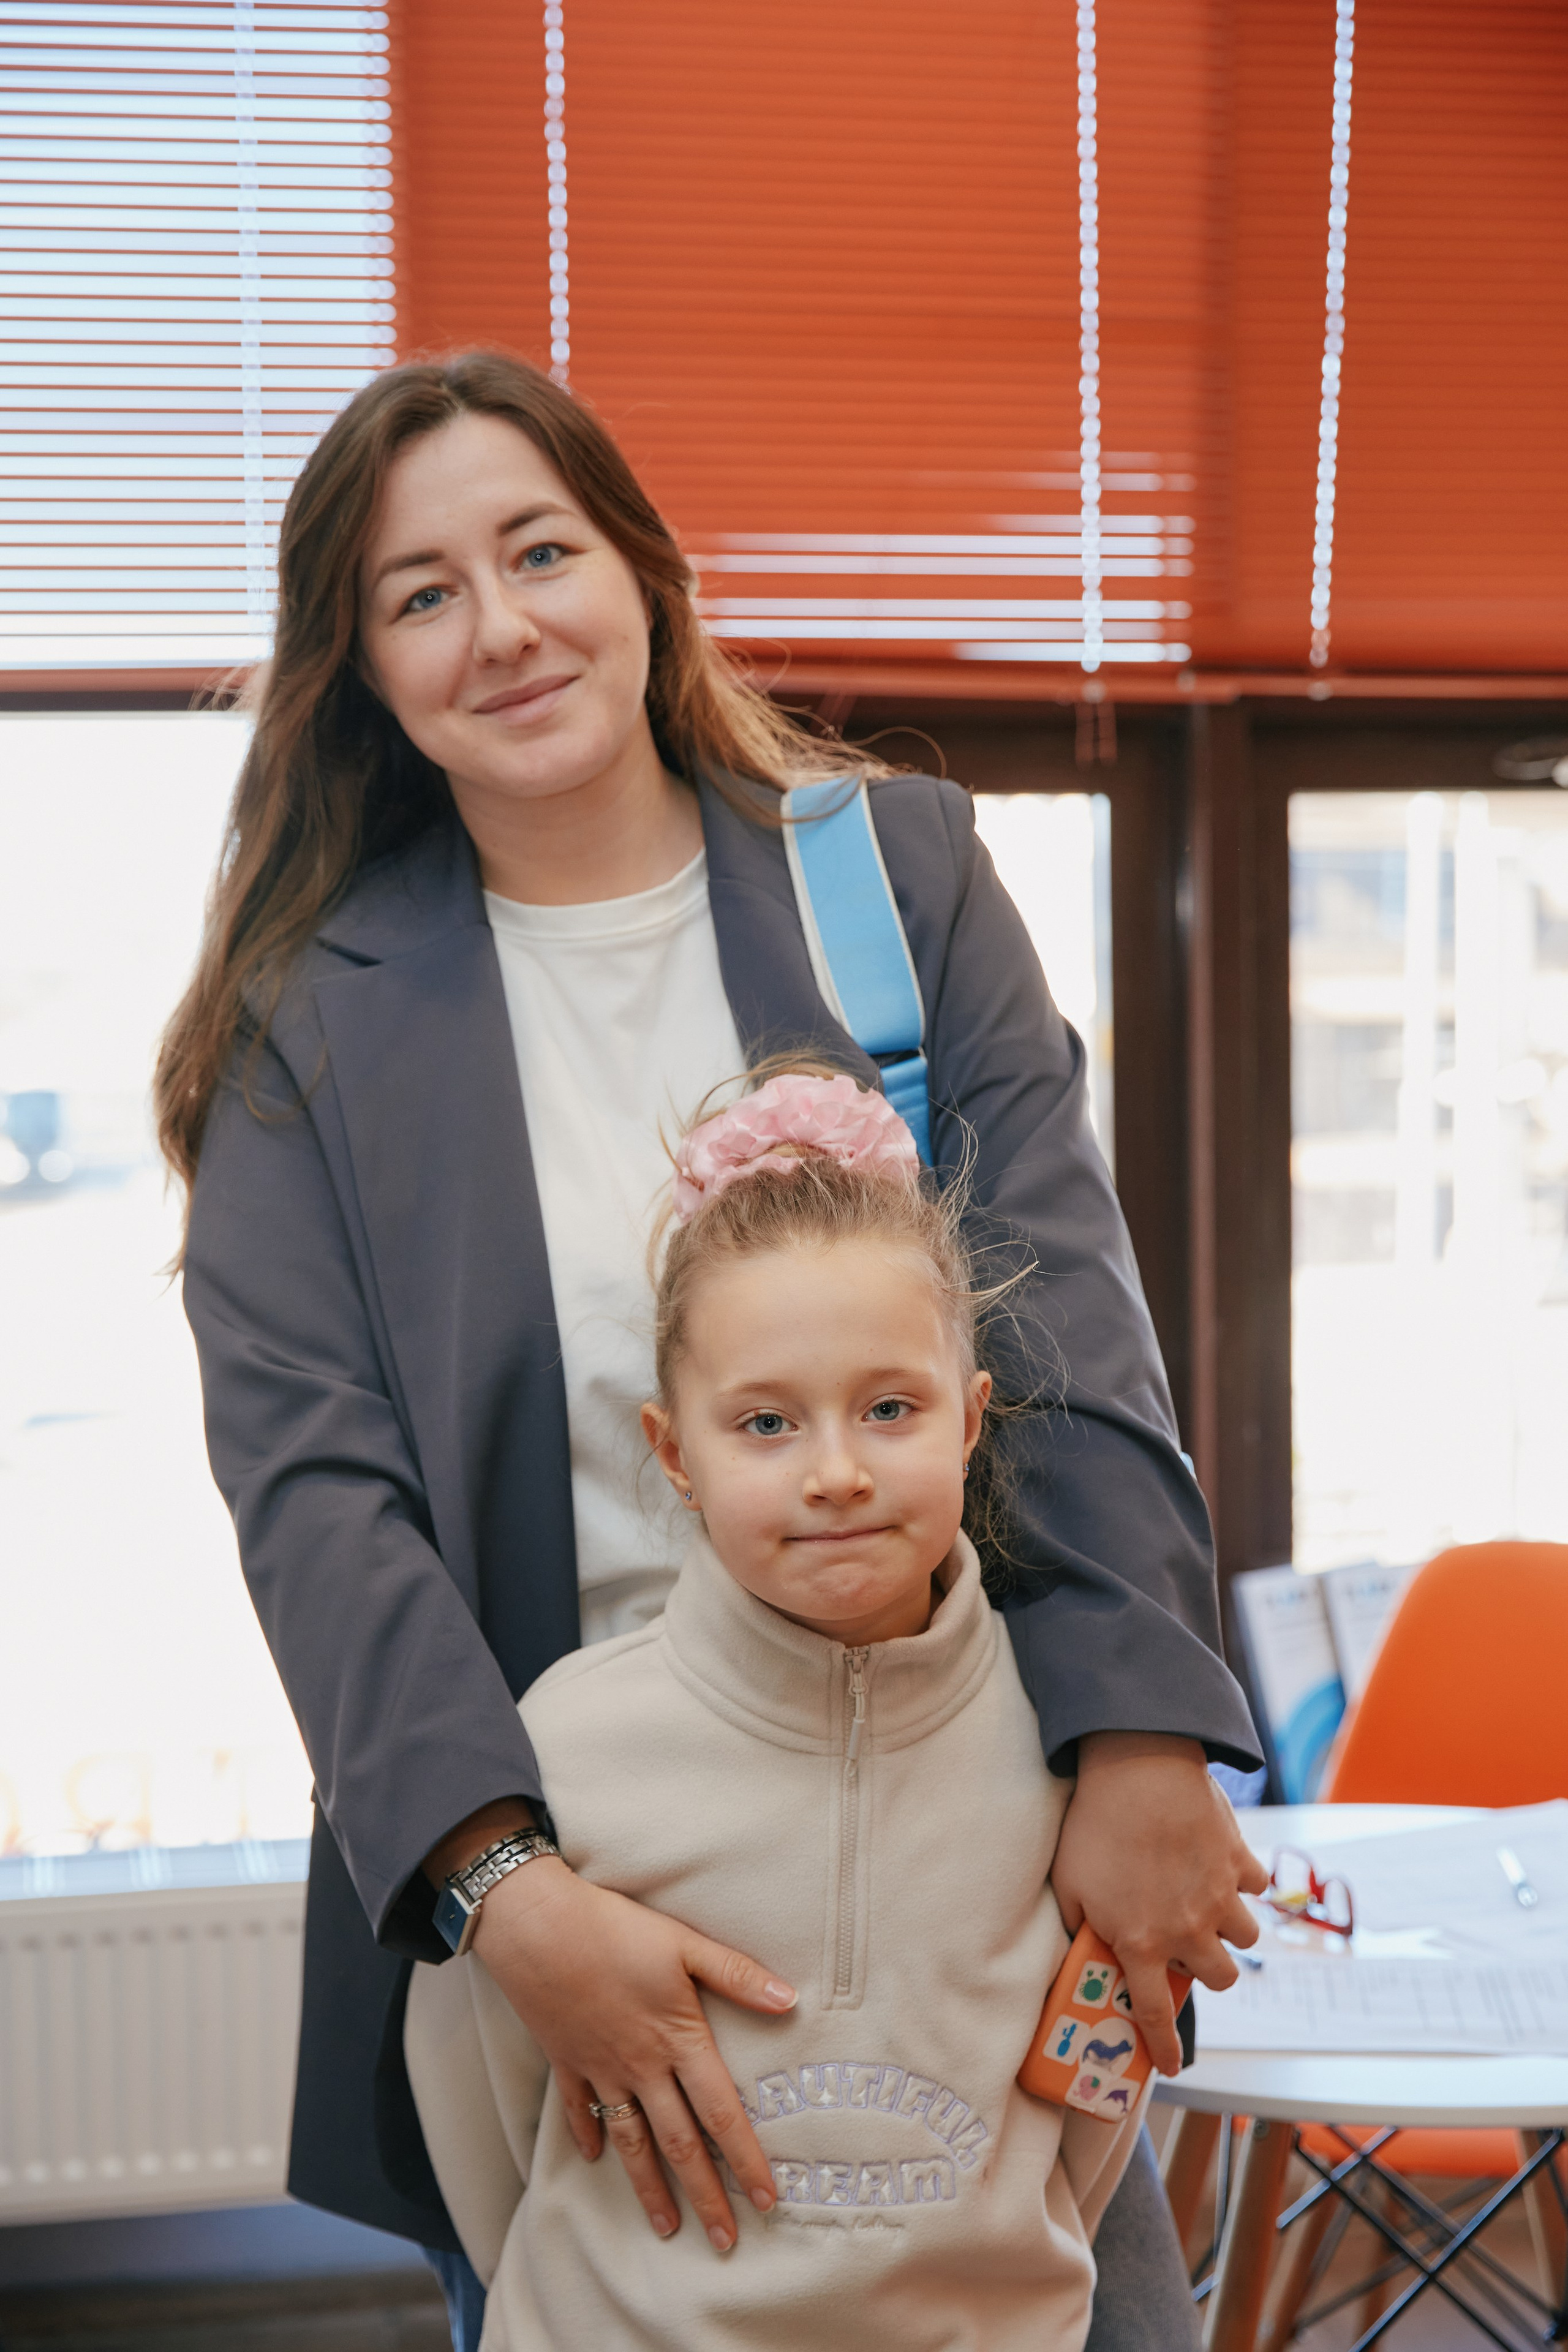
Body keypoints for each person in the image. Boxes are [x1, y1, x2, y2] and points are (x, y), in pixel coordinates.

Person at [156, 350, 1265, 2350]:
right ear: (365, 671)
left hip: (959, 1838)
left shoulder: (892, 877)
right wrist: (508, 1899)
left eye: (539, 550)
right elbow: (320, 1502)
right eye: (420, 595)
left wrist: (1144, 1731)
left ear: (643, 571)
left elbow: (1069, 1327)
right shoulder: (303, 1022)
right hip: (587, 1887)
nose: (500, 628)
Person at [404, 1066, 1162, 2349]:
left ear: (969, 1422)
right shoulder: (563, 1745)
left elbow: (1094, 2104)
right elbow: (481, 2104)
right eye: (764, 1423)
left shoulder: (1063, 1741)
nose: (834, 1471)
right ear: (672, 1454)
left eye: (888, 1408)